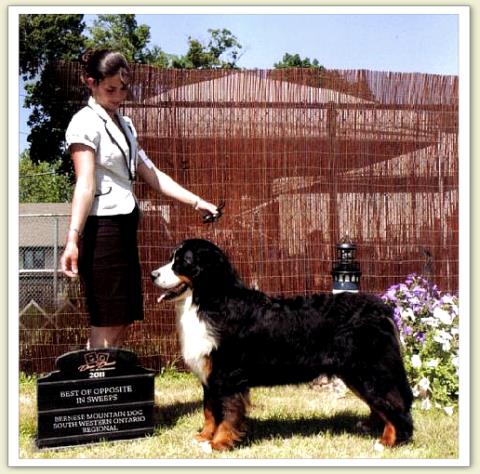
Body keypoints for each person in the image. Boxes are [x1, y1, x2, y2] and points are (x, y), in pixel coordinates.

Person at [60, 49, 220, 349]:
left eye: (122, 89)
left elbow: (153, 174)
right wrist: (72, 239)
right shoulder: (83, 123)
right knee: (106, 316)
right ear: (90, 83)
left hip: (124, 226)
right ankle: (96, 387)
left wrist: (197, 201)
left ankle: (109, 383)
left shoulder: (126, 124)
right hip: (101, 227)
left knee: (123, 314)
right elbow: (84, 183)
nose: (118, 95)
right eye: (110, 89)